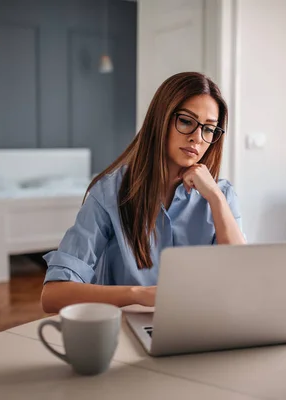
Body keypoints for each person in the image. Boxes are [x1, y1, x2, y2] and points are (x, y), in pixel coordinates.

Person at [41, 71, 246, 313]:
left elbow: (241, 279)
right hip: (126, 330)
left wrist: (215, 197)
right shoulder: (109, 193)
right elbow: (53, 295)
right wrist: (139, 295)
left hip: (200, 326)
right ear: (161, 119)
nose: (196, 138)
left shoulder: (221, 195)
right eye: (186, 121)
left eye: (209, 129)